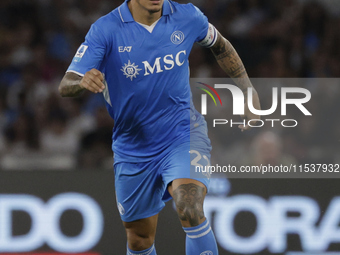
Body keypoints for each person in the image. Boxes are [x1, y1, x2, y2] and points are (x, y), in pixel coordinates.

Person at [59, 0, 261, 254]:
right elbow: (67, 83)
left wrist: (247, 89)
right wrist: (83, 81)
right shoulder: (106, 29)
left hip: (182, 134)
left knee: (190, 207)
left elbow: (220, 44)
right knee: (139, 239)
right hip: (133, 147)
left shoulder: (187, 16)